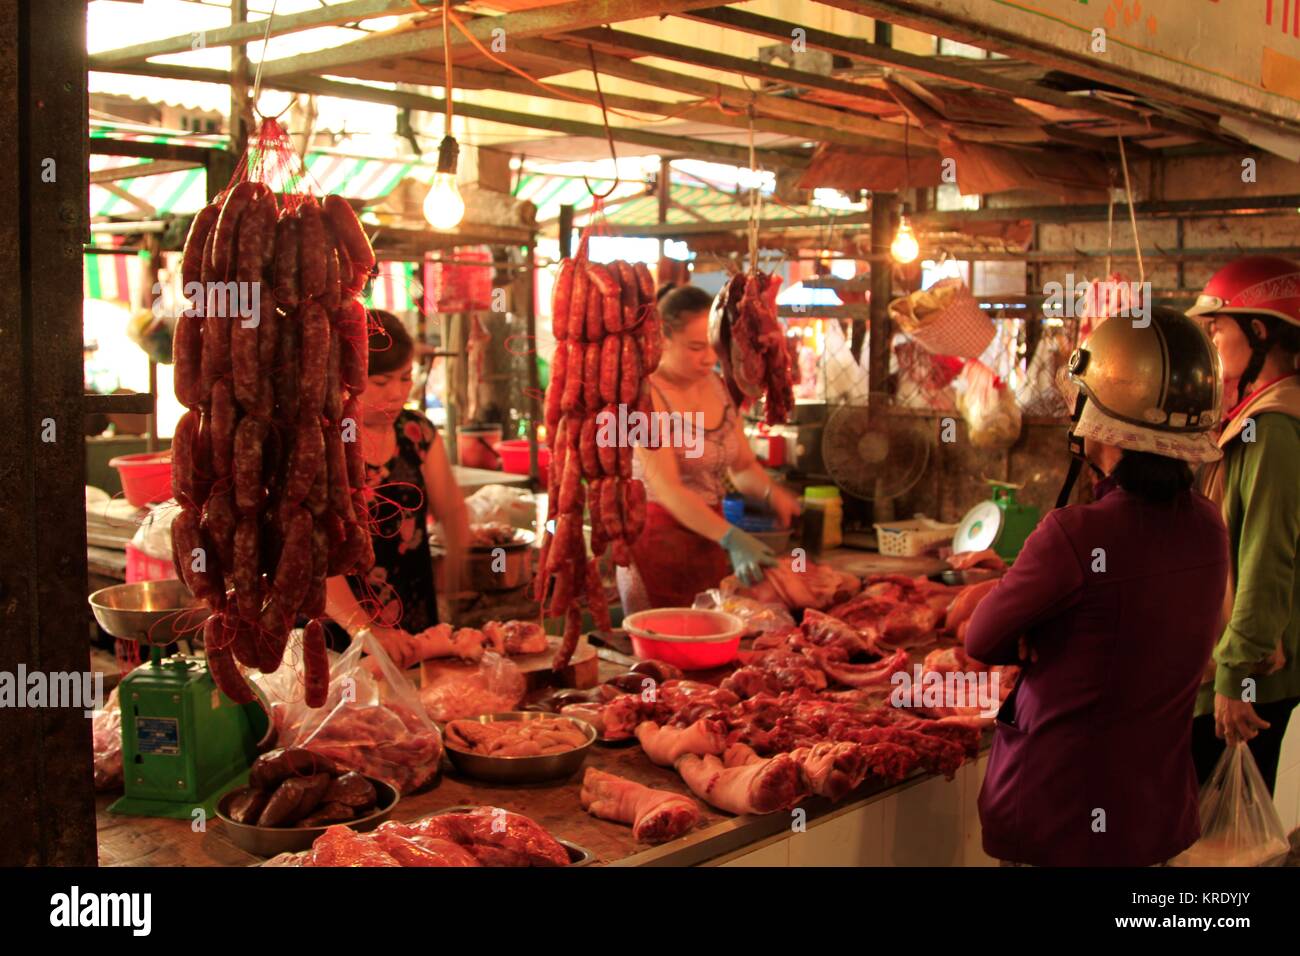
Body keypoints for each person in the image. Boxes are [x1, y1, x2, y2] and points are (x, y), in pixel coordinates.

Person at [965, 306, 1229, 867]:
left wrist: (1036, 628)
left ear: (1097, 418)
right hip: (1152, 813)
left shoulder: (1077, 533)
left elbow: (981, 637)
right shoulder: (1209, 526)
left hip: (1061, 811)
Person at [1187, 255, 1300, 793]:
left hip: (1254, 676)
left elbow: (1266, 554)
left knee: (1225, 847)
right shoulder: (1260, 415)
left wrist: (1235, 673)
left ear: (1257, 330)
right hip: (1250, 666)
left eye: (1217, 329)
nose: (1211, 343)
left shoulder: (1273, 426)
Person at [616, 284, 800, 613]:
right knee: (663, 652)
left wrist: (773, 495)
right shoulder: (641, 396)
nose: (709, 358)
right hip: (656, 543)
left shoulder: (714, 385)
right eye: (696, 347)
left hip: (710, 538)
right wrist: (732, 538)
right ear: (663, 338)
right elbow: (667, 488)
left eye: (712, 346)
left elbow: (742, 465)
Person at [324, 310, 470, 659]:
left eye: (405, 378)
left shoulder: (416, 431)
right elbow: (313, 563)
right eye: (381, 382)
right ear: (345, 378)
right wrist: (364, 629)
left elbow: (450, 508)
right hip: (339, 627)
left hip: (413, 618)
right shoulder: (322, 443)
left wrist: (459, 566)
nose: (397, 393)